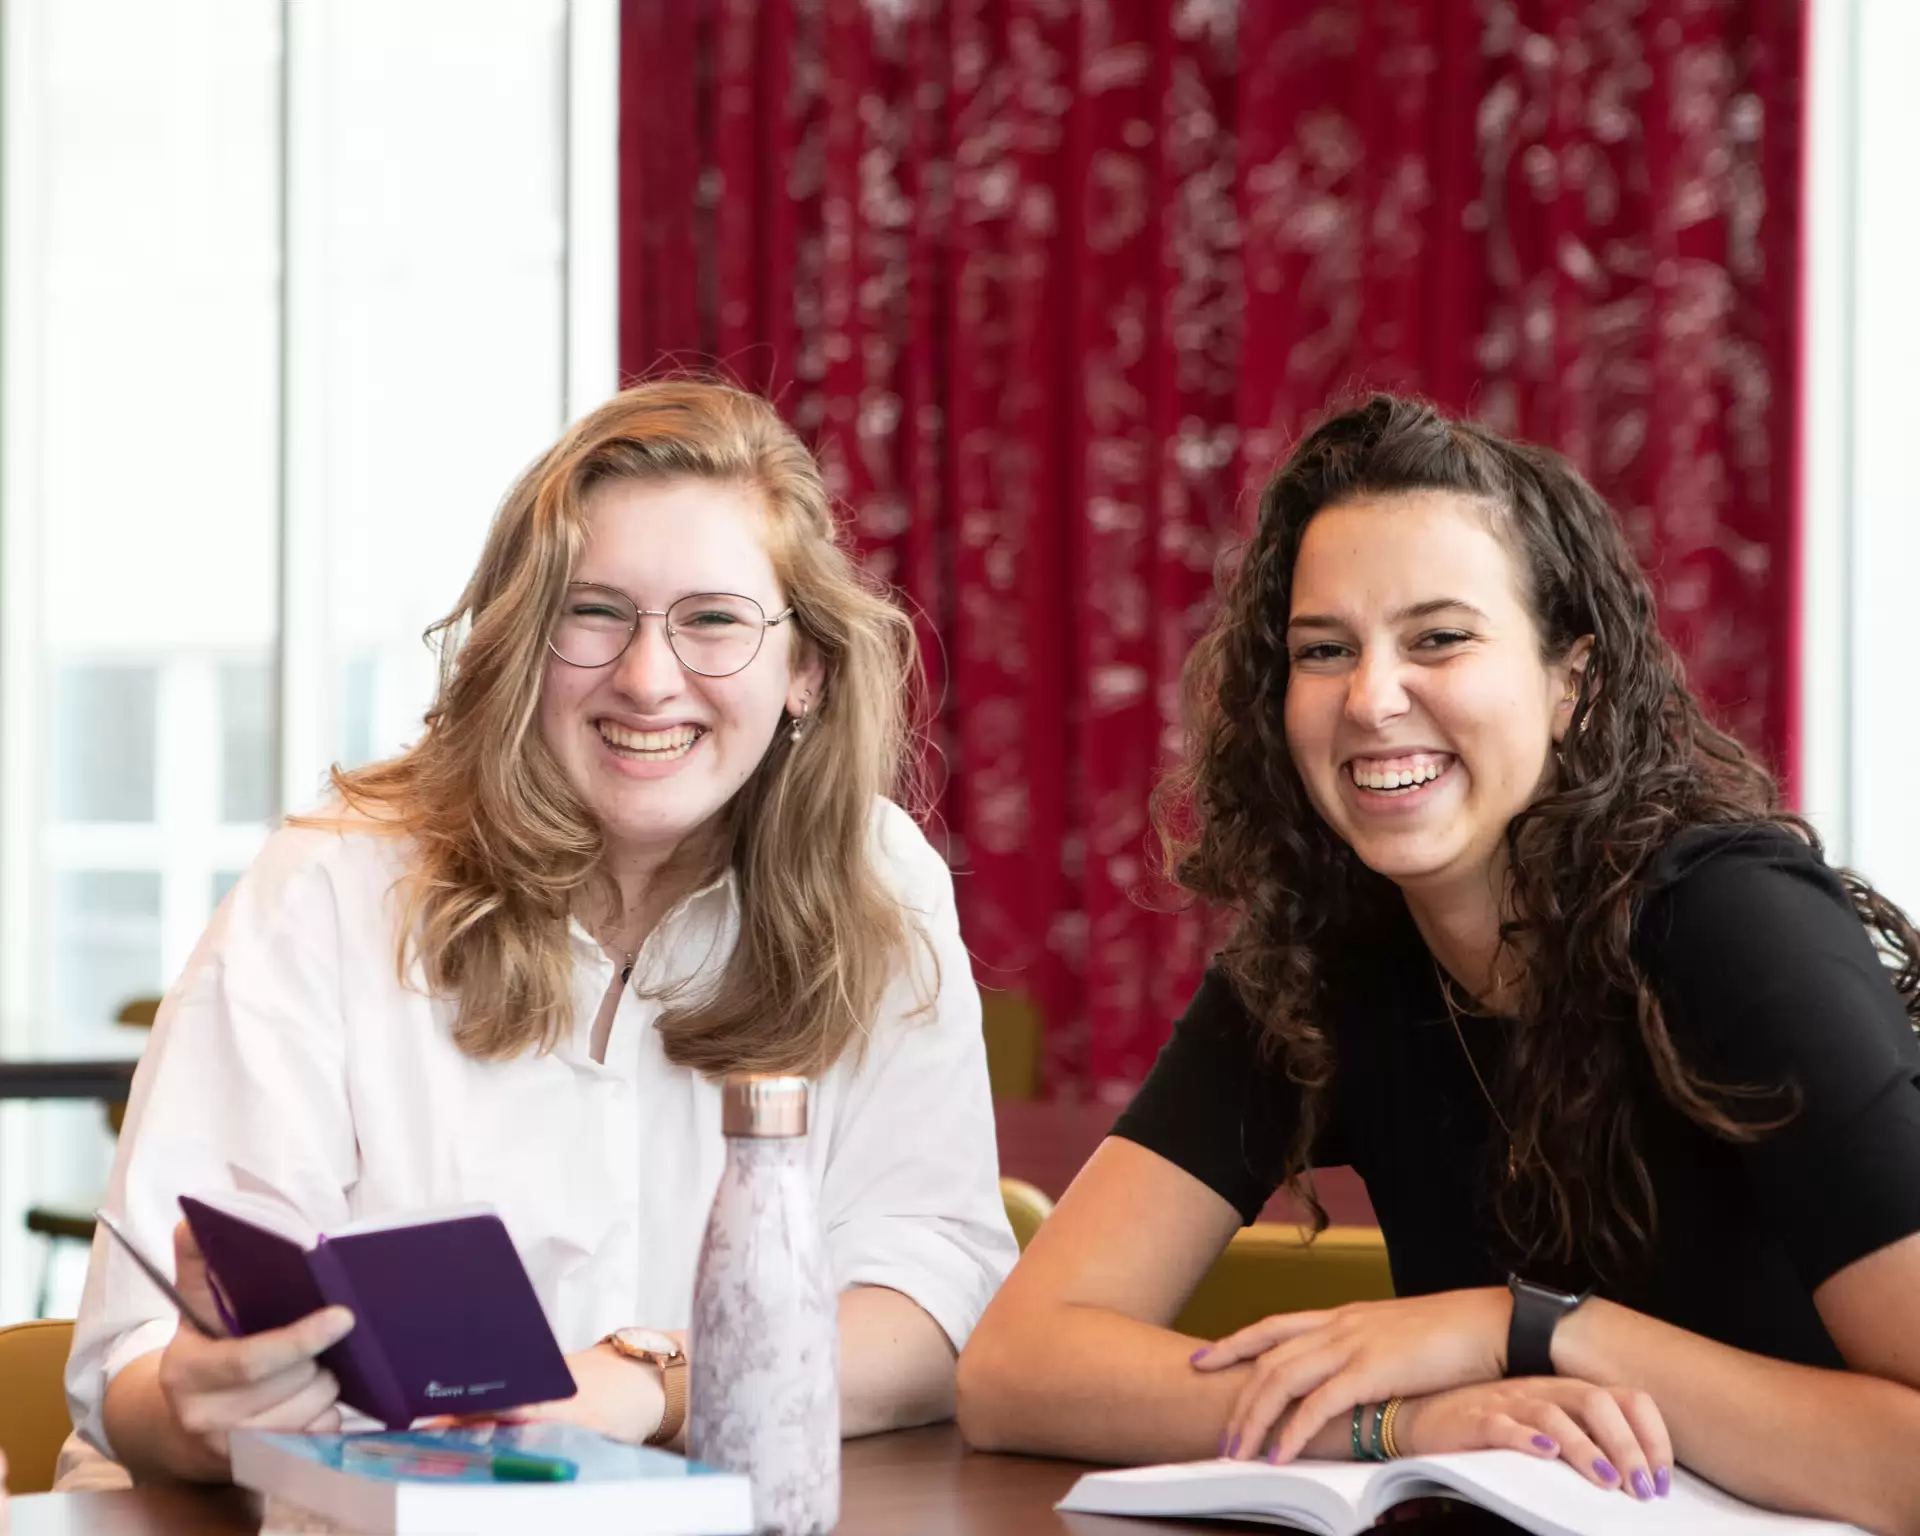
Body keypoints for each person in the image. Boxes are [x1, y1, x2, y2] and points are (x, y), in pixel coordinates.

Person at [957, 394, 1920, 1532]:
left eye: (1439, 639)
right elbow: (1015, 1368)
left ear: (1573, 682)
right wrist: (1394, 1423)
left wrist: (1530, 1331)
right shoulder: (1323, 958)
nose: (1371, 699)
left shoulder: (1735, 925)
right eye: (1325, 651)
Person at [63, 379, 1015, 1485]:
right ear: (522, 642)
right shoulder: (332, 882)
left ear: (804, 669)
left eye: (714, 620)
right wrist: (202, 1409)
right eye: (593, 612)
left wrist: (644, 1384)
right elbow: (133, 1363)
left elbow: (934, 1297)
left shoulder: (880, 879)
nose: (648, 680)